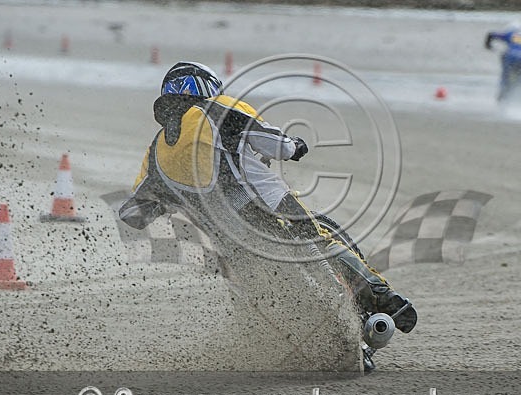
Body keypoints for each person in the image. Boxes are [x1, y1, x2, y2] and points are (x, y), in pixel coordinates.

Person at [119, 61, 417, 366]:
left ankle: (291, 346)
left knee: (253, 295)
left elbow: (134, 213)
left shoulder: (156, 152)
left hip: (227, 243)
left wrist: (168, 201)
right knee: (319, 241)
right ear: (207, 88)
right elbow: (275, 144)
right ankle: (383, 297)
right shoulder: (217, 109)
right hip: (266, 210)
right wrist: (294, 146)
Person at [485, 21, 521, 102]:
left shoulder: (510, 35)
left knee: (506, 76)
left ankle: (503, 95)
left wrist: (488, 45)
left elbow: (491, 34)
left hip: (511, 57)